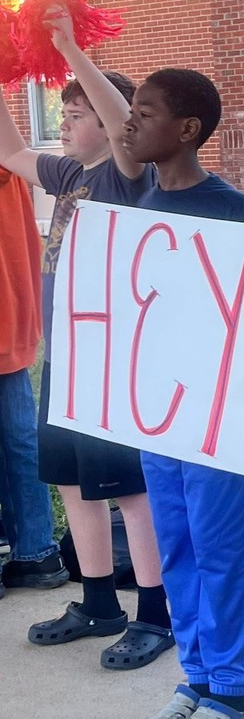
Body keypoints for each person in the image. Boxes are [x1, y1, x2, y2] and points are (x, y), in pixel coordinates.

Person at [0, 7, 173, 671]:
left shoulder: (129, 174)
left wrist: (68, 46)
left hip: (116, 365)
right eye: (64, 114)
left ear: (113, 125)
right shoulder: (68, 176)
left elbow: (120, 116)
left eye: (75, 114)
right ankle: (98, 601)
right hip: (66, 361)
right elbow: (12, 150)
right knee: (73, 484)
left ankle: (154, 615)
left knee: (130, 490)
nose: (65, 123)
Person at [121, 68, 244, 719]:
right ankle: (196, 673)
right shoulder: (142, 210)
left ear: (186, 131)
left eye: (145, 112)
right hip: (160, 414)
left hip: (218, 414)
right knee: (177, 545)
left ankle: (230, 685)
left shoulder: (229, 208)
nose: (130, 123)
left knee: (220, 549)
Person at [0, 164, 68, 599]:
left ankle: (34, 549)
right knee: (20, 435)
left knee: (19, 435)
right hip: (13, 309)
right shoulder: (12, 158)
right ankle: (36, 550)